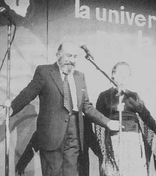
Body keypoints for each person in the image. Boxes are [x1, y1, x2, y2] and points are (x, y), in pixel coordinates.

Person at [0, 41, 119, 176]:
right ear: (58, 55)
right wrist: (10, 110)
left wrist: (108, 122)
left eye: (75, 57)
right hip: (51, 134)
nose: (71, 60)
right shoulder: (44, 72)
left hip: (74, 134)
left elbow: (86, 106)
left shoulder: (80, 76)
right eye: (68, 55)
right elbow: (27, 94)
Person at [94, 62, 156, 176]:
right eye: (121, 72)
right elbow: (97, 118)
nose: (124, 76)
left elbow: (146, 115)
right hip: (113, 139)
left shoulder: (133, 96)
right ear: (113, 74)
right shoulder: (104, 96)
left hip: (133, 138)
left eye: (127, 74)